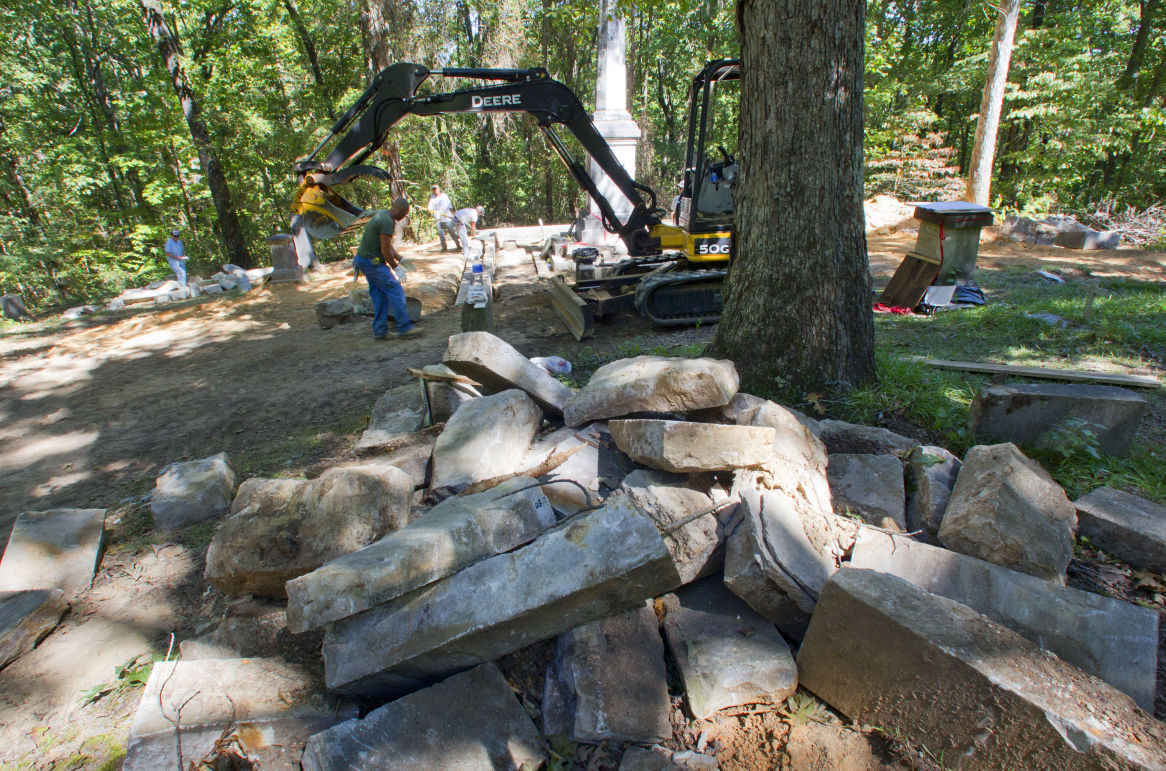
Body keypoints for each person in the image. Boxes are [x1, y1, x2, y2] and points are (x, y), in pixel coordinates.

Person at [353, 198, 421, 340]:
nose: (403, 218)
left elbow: (387, 244)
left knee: (380, 295)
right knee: (394, 289)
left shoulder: (383, 215)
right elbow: (385, 250)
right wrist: (396, 267)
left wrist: (400, 258)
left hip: (364, 260)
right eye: (405, 214)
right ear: (402, 211)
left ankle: (380, 331)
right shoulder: (387, 222)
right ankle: (404, 328)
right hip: (372, 262)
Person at [426, 184, 461, 252]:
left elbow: (450, 206)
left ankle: (458, 245)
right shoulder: (432, 198)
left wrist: (451, 214)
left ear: (439, 189)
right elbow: (430, 207)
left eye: (436, 189)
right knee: (441, 234)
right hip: (438, 219)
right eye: (434, 189)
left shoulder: (444, 196)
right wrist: (428, 209)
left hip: (447, 218)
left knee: (452, 233)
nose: (435, 190)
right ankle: (444, 248)